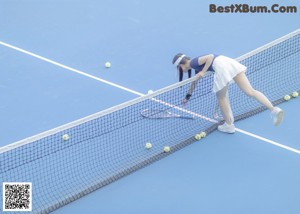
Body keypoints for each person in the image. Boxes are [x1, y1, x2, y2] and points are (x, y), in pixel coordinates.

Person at [172, 53, 284, 133]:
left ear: (181, 65)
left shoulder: (193, 62)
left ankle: (229, 125)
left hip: (221, 66)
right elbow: (194, 83)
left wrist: (203, 71)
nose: (180, 70)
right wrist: (187, 97)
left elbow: (210, 57)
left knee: (221, 97)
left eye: (179, 68)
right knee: (250, 91)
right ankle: (273, 109)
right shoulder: (195, 65)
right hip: (229, 63)